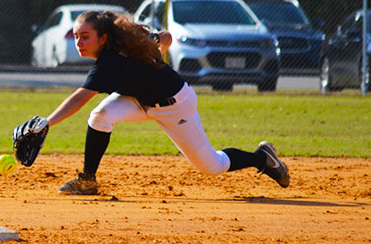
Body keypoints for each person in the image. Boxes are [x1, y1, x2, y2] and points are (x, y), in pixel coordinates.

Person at [40, 11, 289, 195]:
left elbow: (79, 98)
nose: (79, 43)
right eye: (76, 37)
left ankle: (262, 158)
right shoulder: (126, 41)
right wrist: (157, 42)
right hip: (139, 100)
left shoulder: (109, 62)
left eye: (85, 36)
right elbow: (167, 37)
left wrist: (47, 123)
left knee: (212, 165)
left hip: (175, 105)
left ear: (103, 38)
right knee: (100, 116)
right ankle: (87, 181)